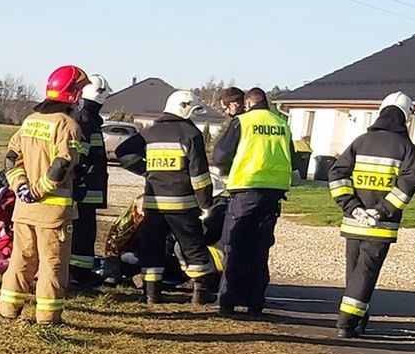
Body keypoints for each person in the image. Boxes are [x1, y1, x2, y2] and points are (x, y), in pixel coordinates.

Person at [0, 66, 87, 325]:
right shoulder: (68, 125)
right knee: (53, 264)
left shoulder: (30, 120)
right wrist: (38, 190)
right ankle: (48, 317)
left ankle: (7, 309)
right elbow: (62, 164)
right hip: (53, 212)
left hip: (24, 209)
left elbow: (11, 158)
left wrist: (21, 187)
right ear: (73, 95)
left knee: (21, 259)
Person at [114, 90, 218, 305]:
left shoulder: (149, 133)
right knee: (193, 248)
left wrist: (147, 171)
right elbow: (199, 175)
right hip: (183, 205)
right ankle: (201, 292)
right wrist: (206, 202)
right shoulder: (191, 134)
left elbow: (122, 152)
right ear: (185, 108)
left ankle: (151, 294)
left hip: (154, 204)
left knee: (152, 248)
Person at [330, 92, 415, 337]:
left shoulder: (361, 141)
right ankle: (347, 322)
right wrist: (381, 212)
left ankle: (359, 319)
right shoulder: (406, 148)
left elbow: (337, 174)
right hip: (381, 225)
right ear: (405, 118)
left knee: (355, 272)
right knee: (366, 272)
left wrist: (352, 207)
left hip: (354, 221)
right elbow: (407, 185)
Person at [210, 86, 295, 315]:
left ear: (247, 104)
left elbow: (220, 155)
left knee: (234, 244)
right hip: (273, 194)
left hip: (245, 191)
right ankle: (255, 302)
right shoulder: (282, 124)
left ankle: (227, 302)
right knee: (260, 248)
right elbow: (293, 158)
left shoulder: (244, 122)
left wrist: (228, 169)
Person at [66, 76, 110, 293]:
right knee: (81, 236)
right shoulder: (85, 119)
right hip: (83, 191)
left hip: (85, 191)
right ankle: (76, 279)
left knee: (86, 234)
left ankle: (81, 275)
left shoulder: (87, 118)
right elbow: (80, 157)